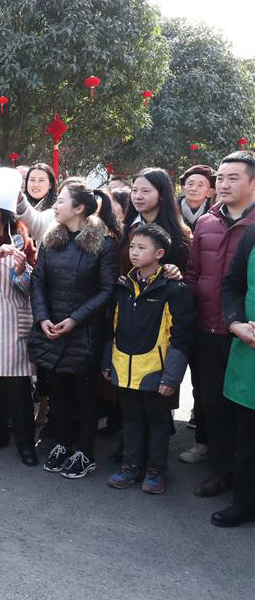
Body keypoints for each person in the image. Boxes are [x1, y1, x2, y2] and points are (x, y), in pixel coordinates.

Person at [29, 180, 118, 480]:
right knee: (58, 390)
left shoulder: (104, 243)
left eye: (61, 201)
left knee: (85, 393)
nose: (55, 205)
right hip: (51, 326)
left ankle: (85, 451)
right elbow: (38, 282)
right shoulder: (50, 240)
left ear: (79, 208)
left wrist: (74, 320)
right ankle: (64, 443)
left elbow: (106, 291)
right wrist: (42, 318)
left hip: (84, 330)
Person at [103, 224, 195, 494]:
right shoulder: (123, 286)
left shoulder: (173, 290)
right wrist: (107, 363)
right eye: (132, 246)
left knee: (157, 422)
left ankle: (155, 471)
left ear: (159, 253)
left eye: (142, 247)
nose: (134, 252)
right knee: (130, 419)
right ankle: (130, 466)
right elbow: (111, 328)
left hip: (155, 370)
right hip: (124, 366)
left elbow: (181, 336)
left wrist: (172, 376)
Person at [185, 150, 255, 499]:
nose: (224, 185)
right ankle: (220, 472)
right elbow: (194, 272)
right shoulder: (206, 223)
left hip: (246, 335)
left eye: (233, 178)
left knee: (245, 413)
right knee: (211, 406)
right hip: (208, 329)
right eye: (221, 178)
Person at [0, 189, 38, 466]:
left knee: (18, 388)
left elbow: (30, 288)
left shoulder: (21, 240)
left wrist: (20, 270)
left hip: (13, 321)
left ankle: (26, 442)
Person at [216, 222, 255, 526]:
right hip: (249, 350)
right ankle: (244, 502)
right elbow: (233, 285)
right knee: (247, 436)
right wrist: (234, 322)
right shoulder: (252, 234)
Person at [121, 168, 191, 276]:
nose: (137, 196)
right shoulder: (124, 229)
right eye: (134, 190)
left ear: (162, 194)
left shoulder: (182, 234)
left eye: (145, 191)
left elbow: (190, 271)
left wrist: (177, 272)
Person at [14, 163, 58, 241]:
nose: (35, 184)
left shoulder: (57, 207)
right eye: (32, 180)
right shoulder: (16, 205)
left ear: (50, 184)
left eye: (41, 180)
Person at [178, 164, 216, 232]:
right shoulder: (170, 208)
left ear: (209, 192)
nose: (194, 189)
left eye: (200, 185)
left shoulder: (215, 212)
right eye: (190, 184)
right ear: (183, 189)